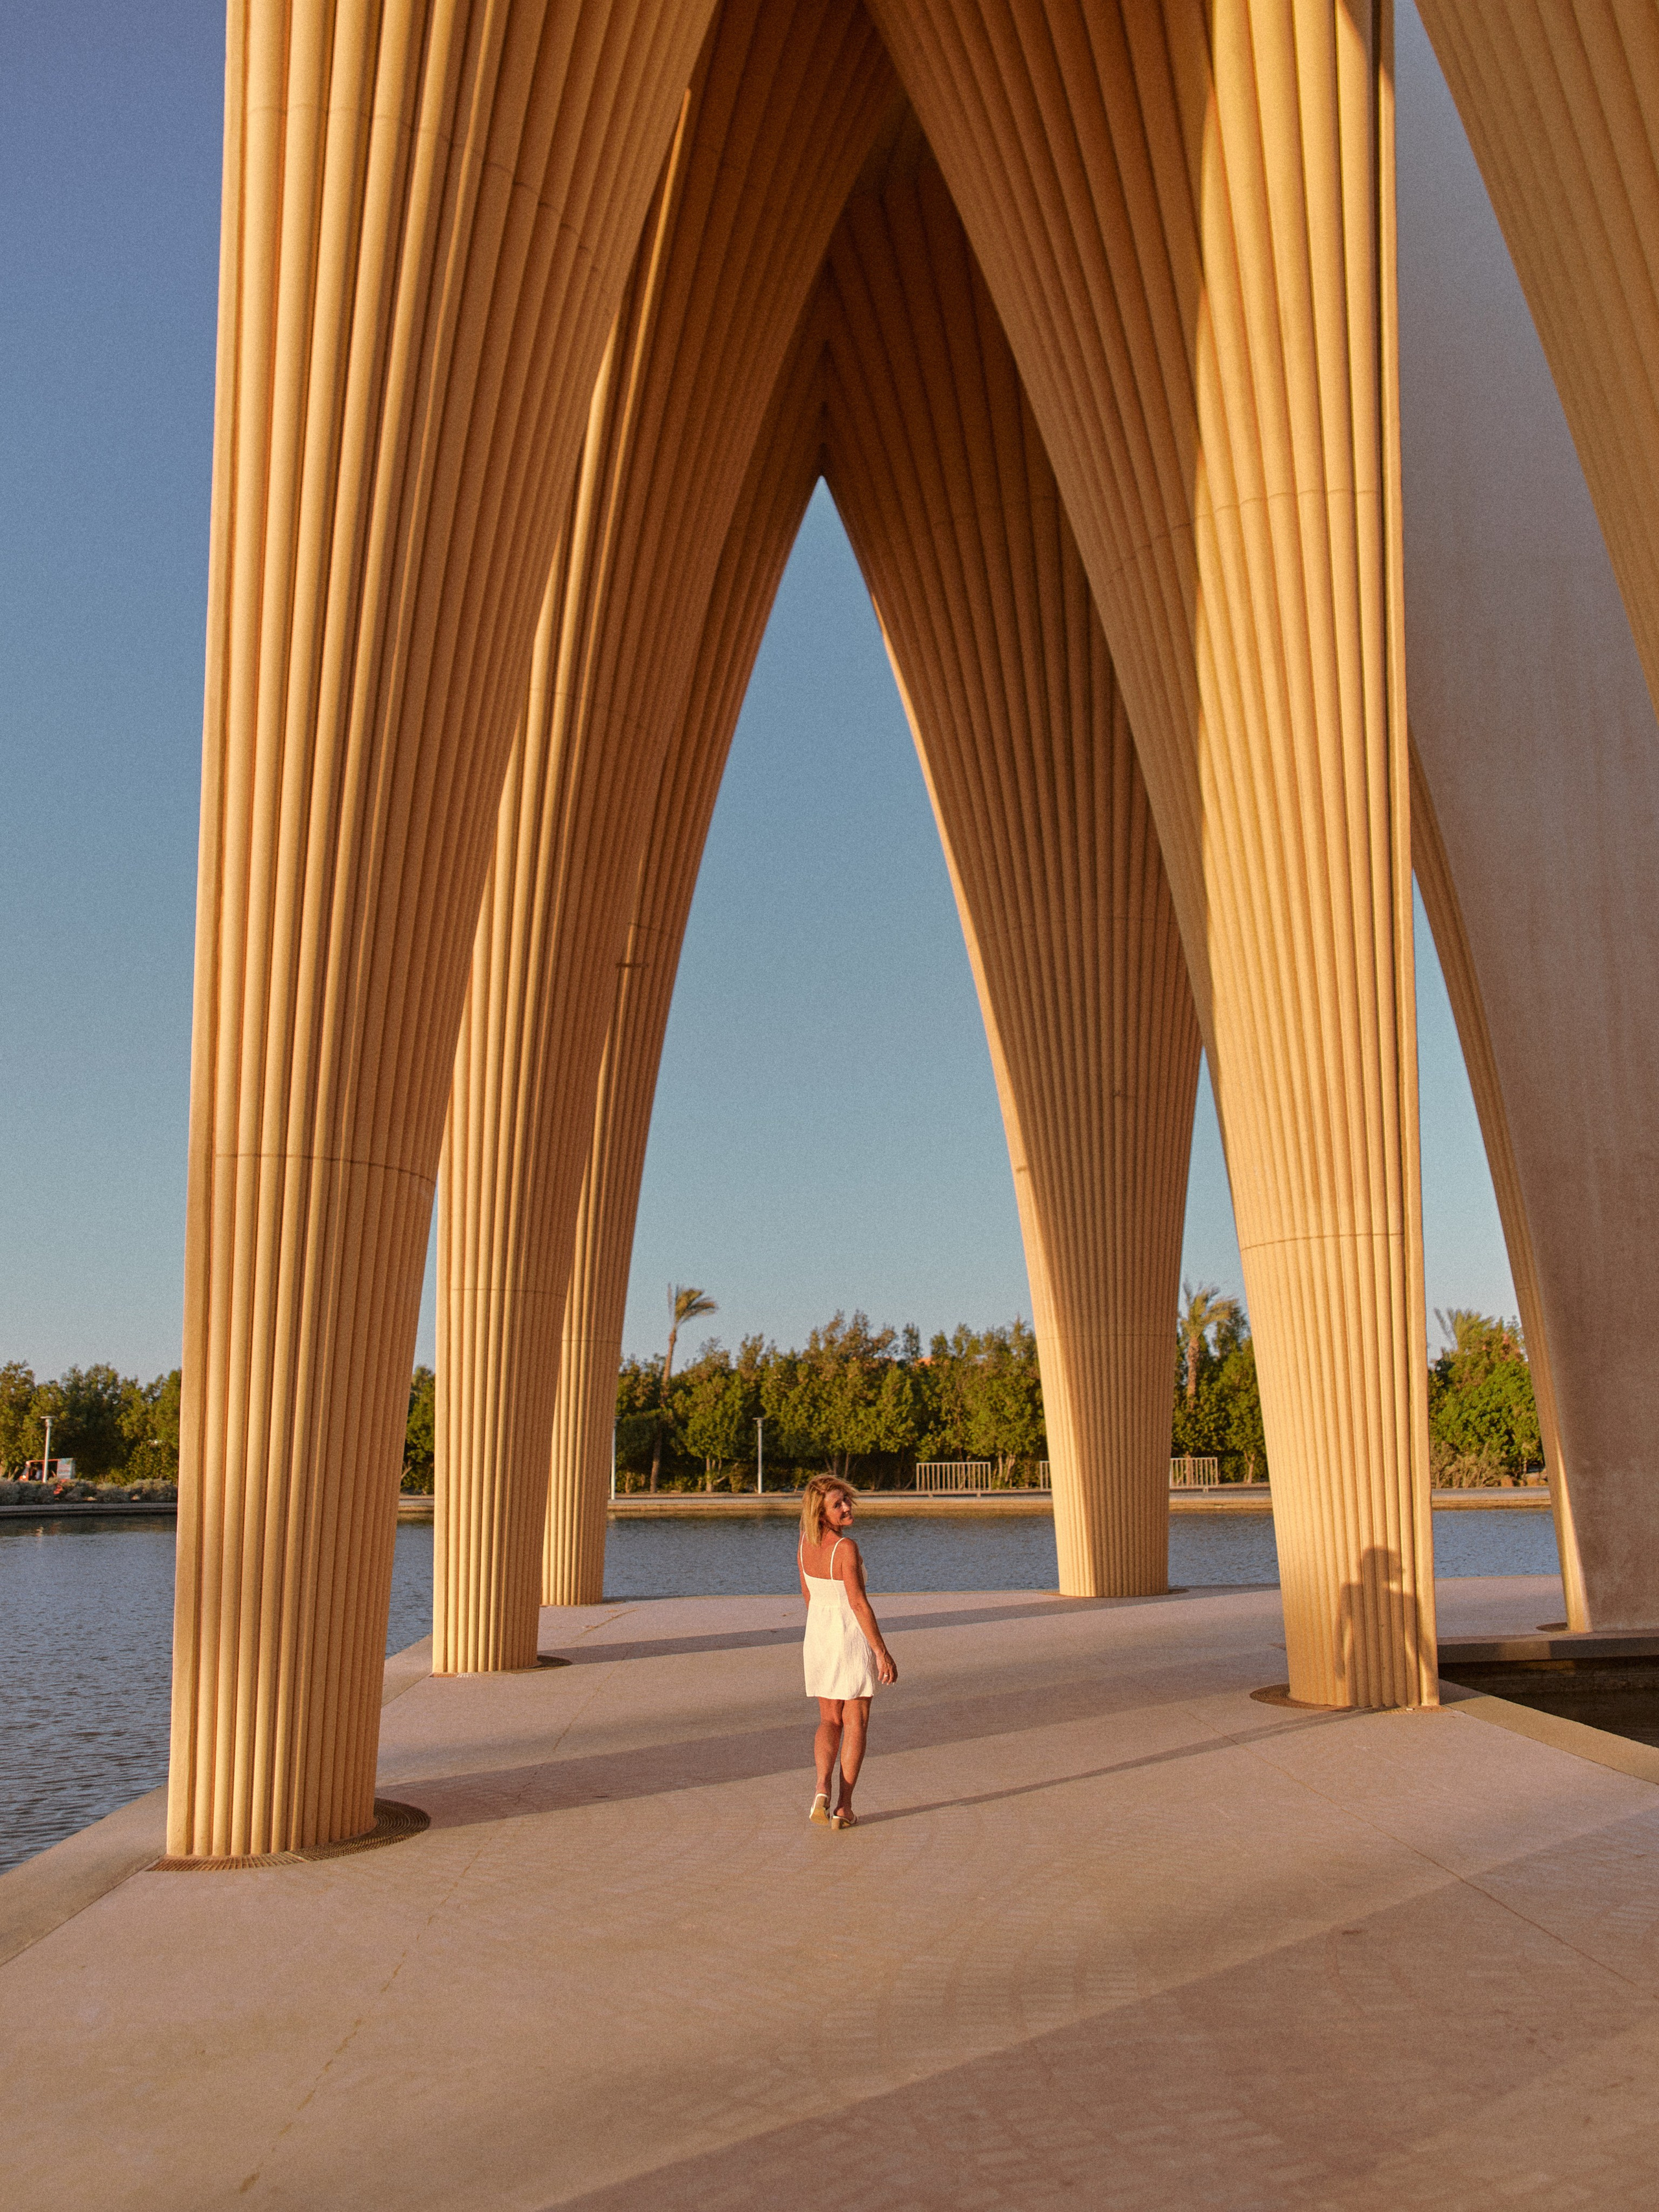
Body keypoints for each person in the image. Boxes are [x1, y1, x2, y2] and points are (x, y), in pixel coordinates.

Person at [798, 1474, 896, 1830]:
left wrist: (823, 1633)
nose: (846, 1507)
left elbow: (809, 1597)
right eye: (837, 1504)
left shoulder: (804, 1545)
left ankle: (820, 1788)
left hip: (819, 1637)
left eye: (846, 1500)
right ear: (821, 1513)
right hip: (848, 1637)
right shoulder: (846, 1548)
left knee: (828, 1719)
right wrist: (881, 1651)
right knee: (856, 1721)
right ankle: (843, 1806)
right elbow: (857, 1602)